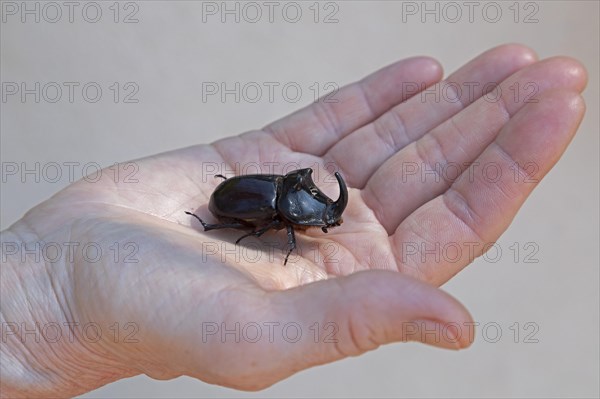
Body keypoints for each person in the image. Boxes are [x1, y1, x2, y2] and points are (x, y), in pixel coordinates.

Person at [0, 44, 587, 397]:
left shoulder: (288, 199)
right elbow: (243, 213)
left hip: (246, 196)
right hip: (229, 204)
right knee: (244, 227)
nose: (324, 220)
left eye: (323, 216)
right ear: (297, 214)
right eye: (321, 217)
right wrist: (46, 304)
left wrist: (45, 311)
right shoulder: (278, 216)